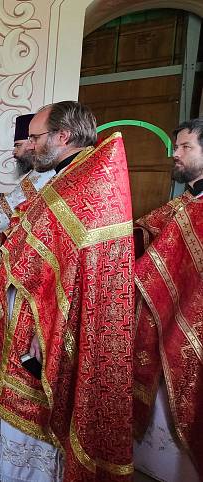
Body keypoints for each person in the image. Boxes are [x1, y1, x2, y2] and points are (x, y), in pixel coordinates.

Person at [0, 101, 136, 480]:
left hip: (50, 316)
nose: (30, 145)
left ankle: (31, 471)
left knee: (37, 392)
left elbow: (75, 268)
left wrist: (48, 329)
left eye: (36, 137)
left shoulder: (86, 181)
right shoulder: (67, 175)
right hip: (33, 303)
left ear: (63, 136)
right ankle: (11, 457)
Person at [131, 119, 203, 481]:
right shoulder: (185, 203)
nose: (176, 153)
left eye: (186, 147)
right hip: (162, 318)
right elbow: (144, 234)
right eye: (176, 146)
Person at [0, 113, 56, 332]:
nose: (14, 152)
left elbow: (7, 212)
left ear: (32, 145)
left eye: (18, 145)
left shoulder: (44, 174)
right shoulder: (37, 173)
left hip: (26, 266)